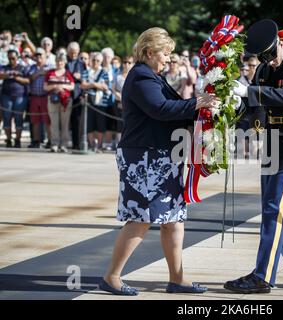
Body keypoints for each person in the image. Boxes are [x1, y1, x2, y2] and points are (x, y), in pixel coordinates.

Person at [99, 27, 217, 296]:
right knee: (141, 219)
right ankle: (111, 277)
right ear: (149, 52)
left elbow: (172, 111)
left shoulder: (152, 77)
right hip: (144, 158)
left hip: (161, 156)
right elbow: (160, 110)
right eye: (165, 53)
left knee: (173, 219)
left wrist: (204, 113)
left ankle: (177, 278)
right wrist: (197, 104)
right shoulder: (141, 77)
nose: (168, 59)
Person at [225, 19, 283, 294]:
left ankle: (262, 276)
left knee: (274, 211)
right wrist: (233, 116)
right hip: (271, 144)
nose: (269, 63)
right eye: (263, 59)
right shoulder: (266, 68)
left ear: (279, 44)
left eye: (270, 56)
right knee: (273, 211)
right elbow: (258, 114)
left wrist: (250, 92)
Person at [43, 53, 75, 153]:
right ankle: (54, 144)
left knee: (65, 123)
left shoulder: (68, 73)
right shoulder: (50, 73)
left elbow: (72, 86)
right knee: (54, 123)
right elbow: (45, 87)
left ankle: (64, 144)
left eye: (61, 61)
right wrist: (55, 87)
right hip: (53, 100)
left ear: (64, 62)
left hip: (65, 100)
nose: (59, 63)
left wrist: (63, 87)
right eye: (57, 61)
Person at [80, 52, 110, 152]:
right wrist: (96, 84)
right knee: (89, 124)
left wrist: (92, 84)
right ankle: (92, 144)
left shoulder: (104, 72)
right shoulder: (86, 71)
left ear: (101, 62)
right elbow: (83, 85)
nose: (95, 62)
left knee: (100, 124)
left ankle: (99, 145)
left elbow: (106, 87)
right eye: (93, 60)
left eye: (98, 60)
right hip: (89, 102)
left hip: (101, 102)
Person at [0, 49, 30, 148]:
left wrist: (17, 78)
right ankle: (8, 140)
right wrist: (9, 74)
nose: (11, 60)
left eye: (13, 58)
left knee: (18, 119)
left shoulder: (22, 68)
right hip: (6, 96)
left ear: (17, 58)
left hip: (20, 96)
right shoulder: (4, 67)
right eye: (9, 58)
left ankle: (17, 140)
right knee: (7, 118)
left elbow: (28, 80)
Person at [28, 48, 52, 148]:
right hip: (34, 97)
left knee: (47, 120)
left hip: (45, 96)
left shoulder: (50, 67)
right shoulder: (32, 67)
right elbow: (30, 78)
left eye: (40, 55)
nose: (38, 58)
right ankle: (36, 141)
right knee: (35, 120)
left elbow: (51, 76)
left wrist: (43, 73)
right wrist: (39, 73)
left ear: (45, 56)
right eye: (37, 56)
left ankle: (50, 140)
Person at [66, 42, 86, 150]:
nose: (73, 54)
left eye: (75, 52)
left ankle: (76, 143)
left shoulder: (82, 63)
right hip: (66, 94)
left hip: (78, 94)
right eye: (71, 52)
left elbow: (86, 77)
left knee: (77, 121)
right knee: (65, 120)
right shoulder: (64, 61)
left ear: (78, 52)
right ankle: (62, 142)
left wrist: (80, 76)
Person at [111, 55, 134, 143]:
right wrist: (118, 96)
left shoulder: (134, 76)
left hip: (131, 103)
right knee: (119, 124)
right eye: (125, 62)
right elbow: (113, 88)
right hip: (119, 102)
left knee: (130, 123)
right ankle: (119, 144)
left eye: (129, 63)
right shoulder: (117, 75)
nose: (127, 64)